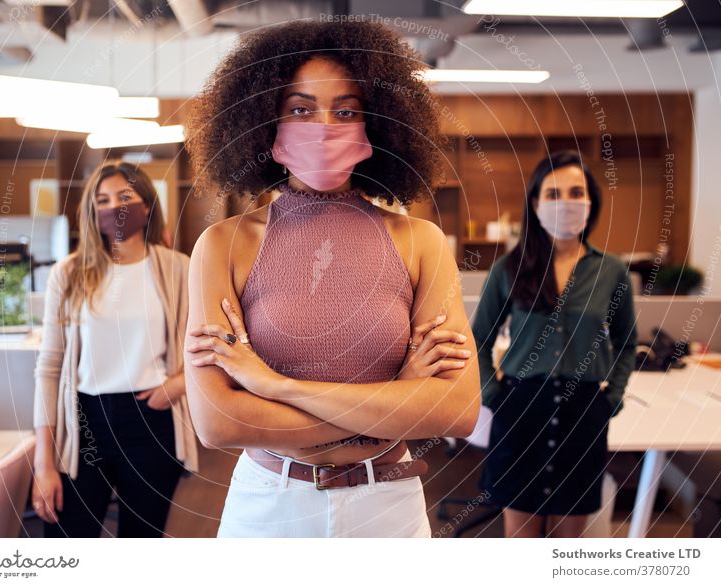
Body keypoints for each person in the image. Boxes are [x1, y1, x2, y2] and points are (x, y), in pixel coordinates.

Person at [183, 19, 481, 538]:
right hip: (269, 507)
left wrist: (274, 387)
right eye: (300, 109)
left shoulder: (421, 242)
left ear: (377, 124)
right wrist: (396, 401)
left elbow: (456, 411)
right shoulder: (223, 246)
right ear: (264, 121)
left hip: (387, 508)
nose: (323, 126)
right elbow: (217, 422)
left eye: (345, 110)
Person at [472, 150, 638, 538]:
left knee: (569, 540)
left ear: (590, 201)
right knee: (522, 535)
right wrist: (493, 395)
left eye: (576, 192)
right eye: (553, 193)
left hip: (584, 414)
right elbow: (478, 338)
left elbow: (627, 343)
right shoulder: (510, 268)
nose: (565, 202)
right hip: (520, 410)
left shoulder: (611, 271)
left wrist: (611, 398)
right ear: (535, 202)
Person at [31, 160, 200, 537]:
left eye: (125, 196)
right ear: (92, 212)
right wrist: (44, 461)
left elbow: (207, 348)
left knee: (141, 541)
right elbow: (49, 367)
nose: (114, 208)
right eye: (102, 200)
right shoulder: (69, 274)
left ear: (146, 203)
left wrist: (176, 386)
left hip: (151, 418)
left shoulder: (178, 268)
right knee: (68, 539)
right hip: (84, 419)